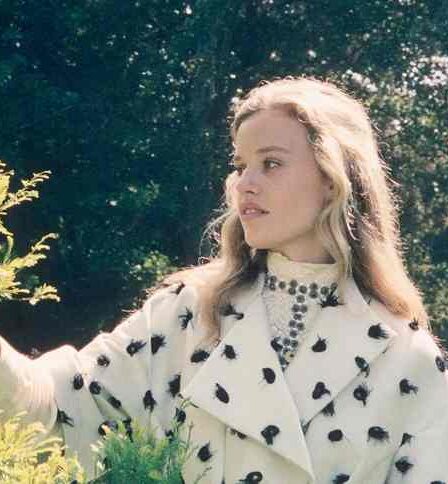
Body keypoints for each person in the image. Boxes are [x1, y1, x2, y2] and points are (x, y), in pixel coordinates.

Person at [0, 76, 447, 483]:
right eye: (240, 165)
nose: (244, 183)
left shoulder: (407, 358)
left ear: (333, 179)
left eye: (271, 164)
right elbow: (54, 412)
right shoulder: (189, 311)